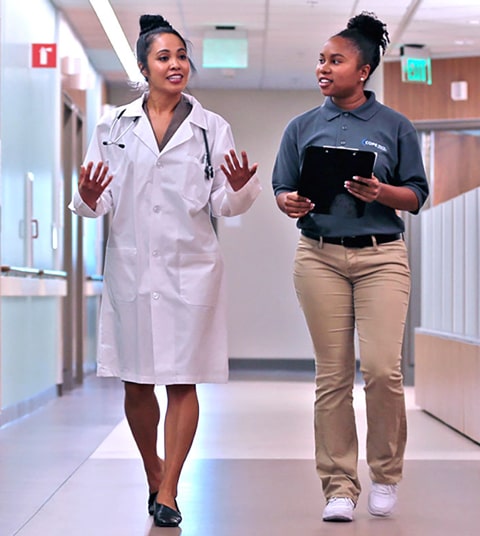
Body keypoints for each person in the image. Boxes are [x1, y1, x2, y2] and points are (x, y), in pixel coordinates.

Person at [69, 14, 261, 528]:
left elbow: (224, 201)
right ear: (143, 67)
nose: (176, 65)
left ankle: (170, 489)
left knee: (182, 380)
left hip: (191, 269)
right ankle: (153, 470)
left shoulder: (211, 127)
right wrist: (86, 198)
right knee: (136, 383)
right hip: (131, 269)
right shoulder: (113, 125)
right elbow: (98, 195)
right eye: (164, 57)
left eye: (181, 56)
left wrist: (239, 187)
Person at [272, 12, 429, 523]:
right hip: (318, 256)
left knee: (383, 370)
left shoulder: (395, 126)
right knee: (332, 376)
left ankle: (386, 473)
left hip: (382, 256)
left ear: (362, 71)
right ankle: (339, 485)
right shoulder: (303, 127)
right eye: (321, 60)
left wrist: (381, 191)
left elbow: (416, 195)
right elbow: (283, 188)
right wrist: (290, 202)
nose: (324, 68)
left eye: (335, 60)